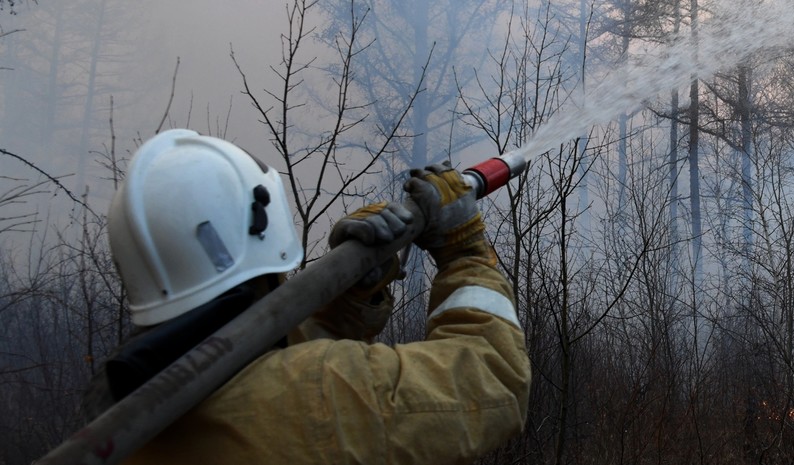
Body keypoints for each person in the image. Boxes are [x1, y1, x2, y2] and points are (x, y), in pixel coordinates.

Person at [84, 129, 531, 464]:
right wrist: (464, 249)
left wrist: (353, 290)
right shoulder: (321, 389)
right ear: (263, 224)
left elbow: (260, 369)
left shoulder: (123, 408)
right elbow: (494, 378)